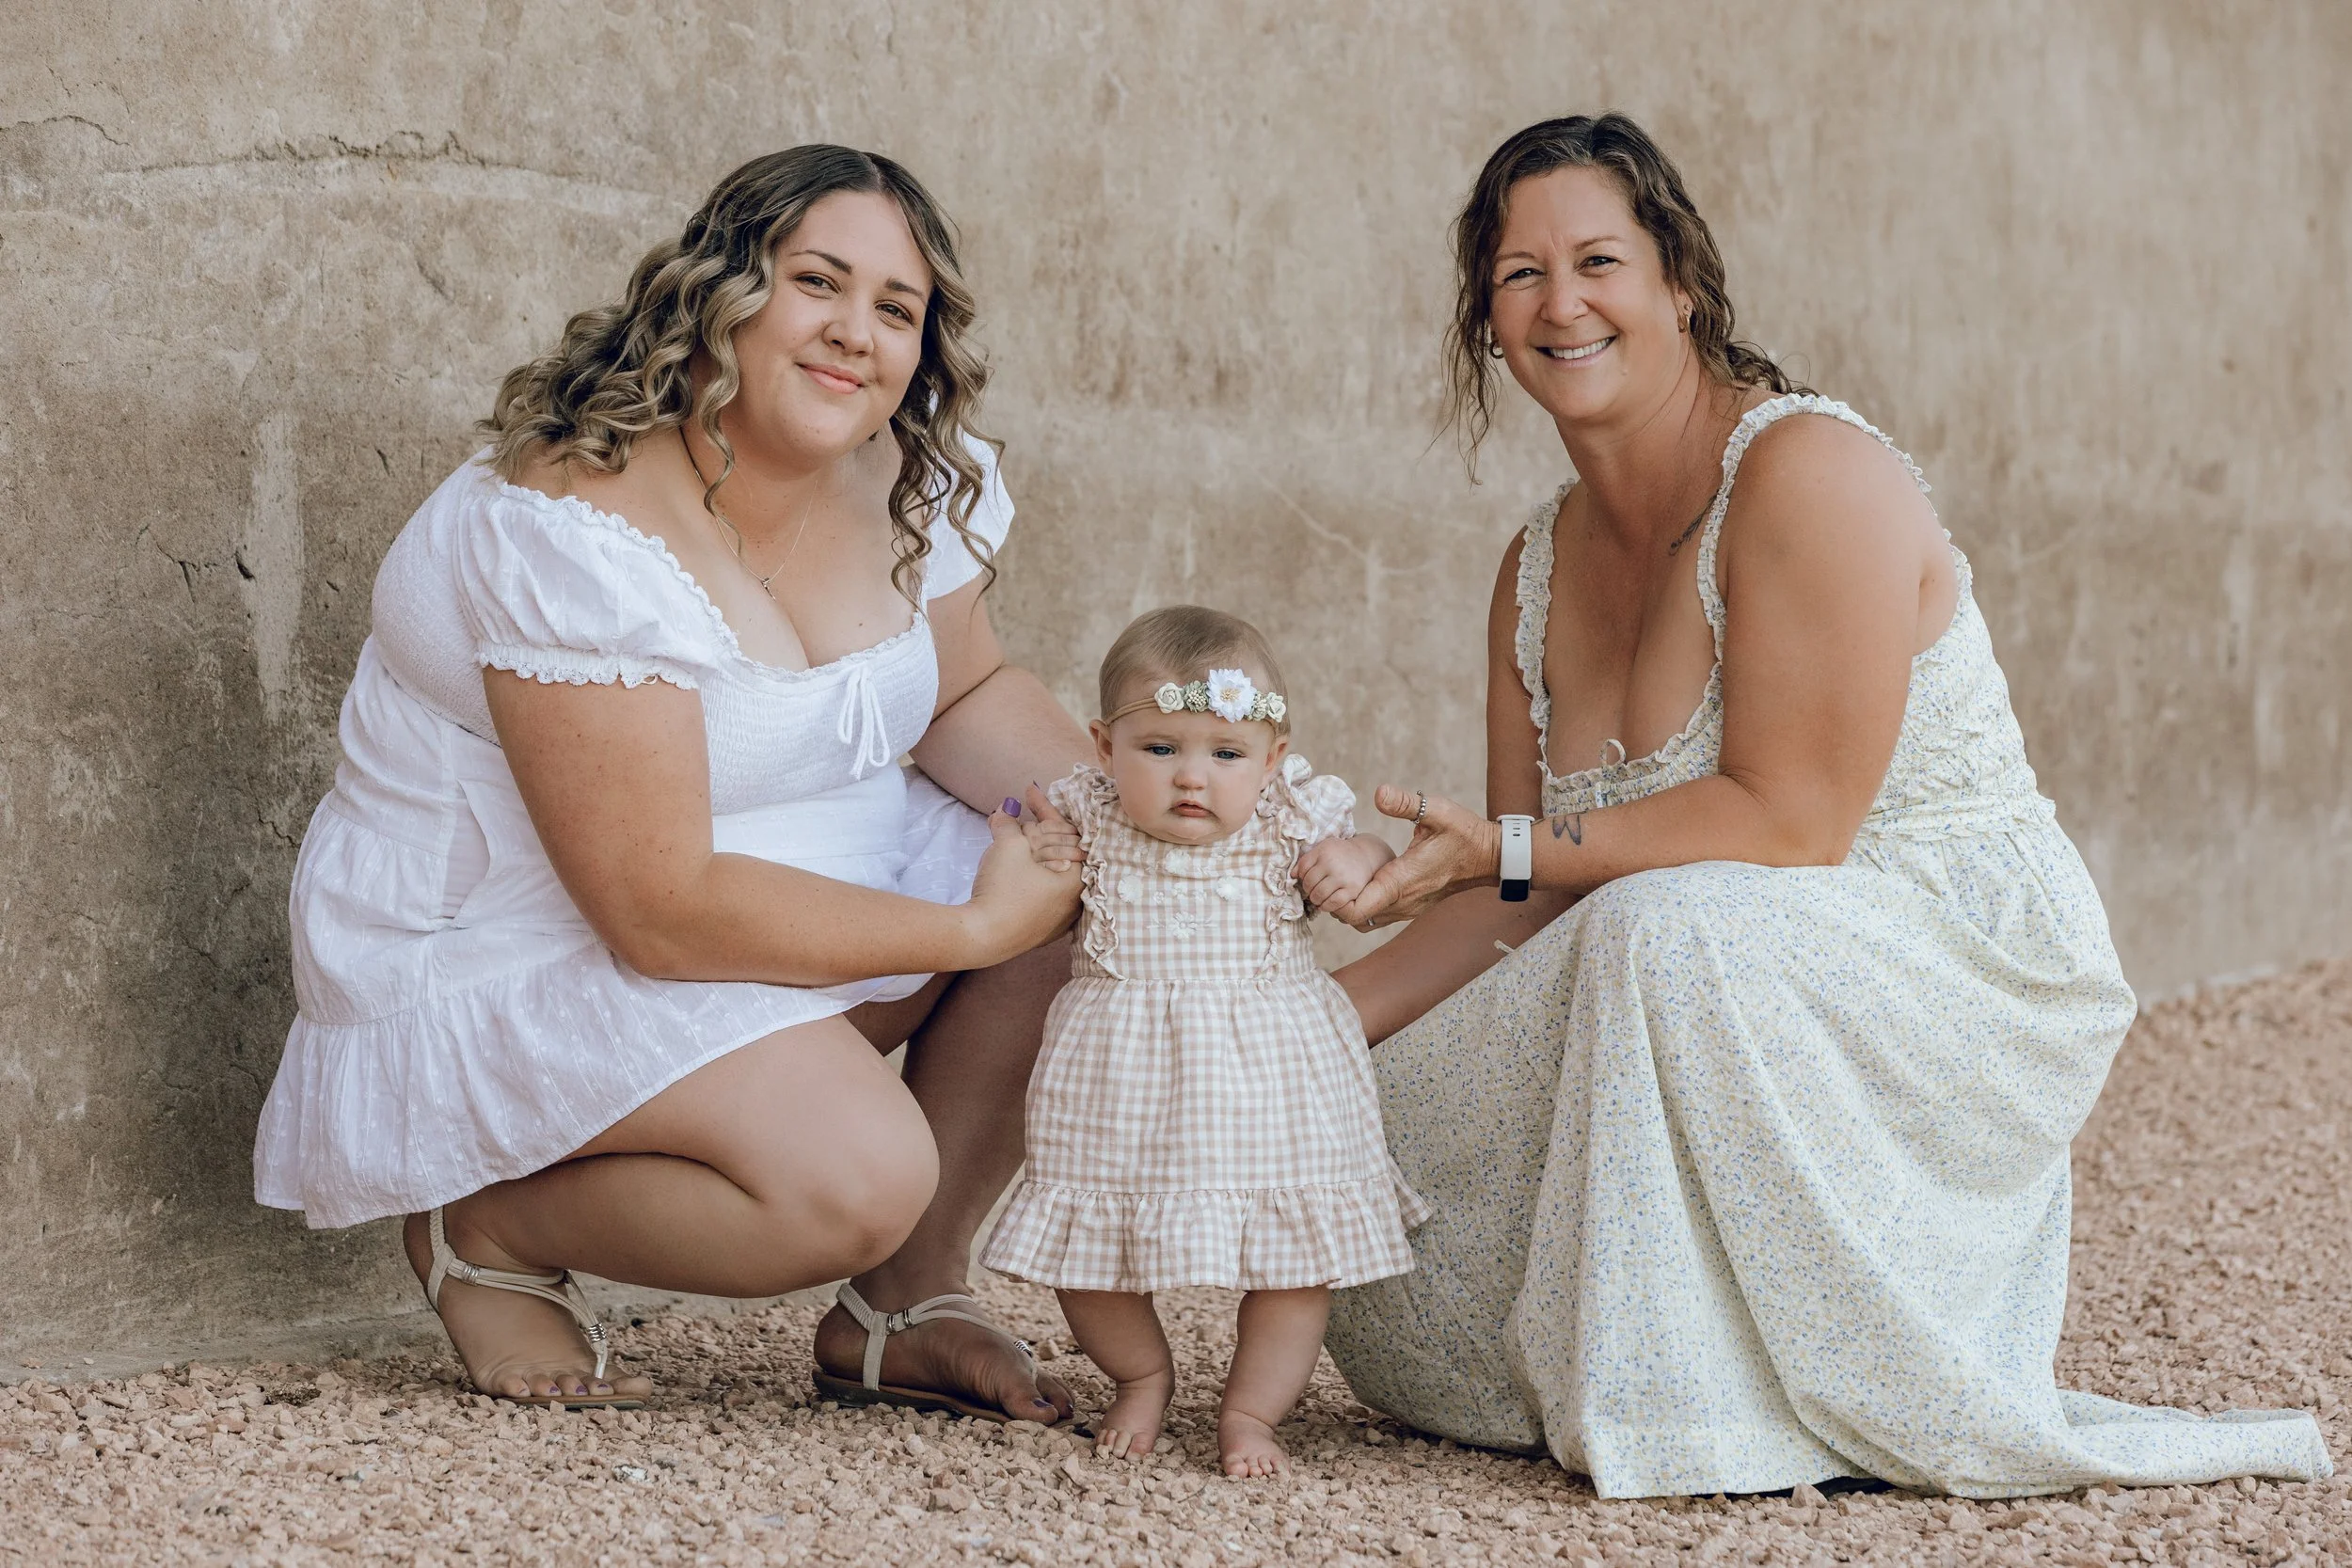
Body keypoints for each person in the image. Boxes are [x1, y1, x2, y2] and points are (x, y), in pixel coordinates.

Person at [1313, 113, 2333, 1497]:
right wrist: (1305, 1027)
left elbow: (1793, 821)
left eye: (1599, 259)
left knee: (1666, 933)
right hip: (1693, 943)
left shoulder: (1807, 472)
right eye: (1518, 276)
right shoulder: (1534, 564)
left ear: (1681, 279)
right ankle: (1617, 1363)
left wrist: (1498, 849)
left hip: (1952, 954)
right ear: (1486, 321)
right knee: (1353, 1106)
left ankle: (1722, 1404)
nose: (1562, 303)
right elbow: (1525, 891)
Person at [252, 145, 1089, 1422]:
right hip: (535, 941)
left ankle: (902, 1306)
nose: (854, 334)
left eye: (895, 308)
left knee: (1099, 860)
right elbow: (655, 903)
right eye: (819, 282)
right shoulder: (571, 523)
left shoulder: (914, 476)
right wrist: (974, 927)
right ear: (720, 291)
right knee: (854, 1172)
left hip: (786, 875)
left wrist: (1157, 823)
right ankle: (488, 1219)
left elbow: (966, 693)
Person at [979, 607, 1422, 1476]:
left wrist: (1361, 852)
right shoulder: (1089, 819)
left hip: (1274, 1085)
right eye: (1161, 749)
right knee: (1090, 1256)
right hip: (1118, 1090)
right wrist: (1036, 847)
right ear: (1106, 747)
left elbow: (1372, 861)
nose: (1194, 777)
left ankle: (1253, 1412)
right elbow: (1020, 856)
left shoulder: (1291, 821)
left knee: (1296, 1263)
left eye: (1225, 753)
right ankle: (1143, 1375)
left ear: (1271, 756)